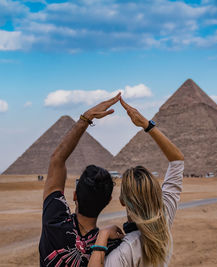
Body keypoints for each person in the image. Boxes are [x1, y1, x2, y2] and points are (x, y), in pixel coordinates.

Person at [88, 97, 184, 267]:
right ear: (156, 193)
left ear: (122, 201)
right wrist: (147, 125)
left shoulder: (124, 252)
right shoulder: (165, 220)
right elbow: (177, 160)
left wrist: (102, 236)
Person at [39, 93, 125, 267]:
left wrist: (86, 118)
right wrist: (106, 233)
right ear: (107, 201)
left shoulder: (54, 220)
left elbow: (57, 159)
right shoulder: (112, 246)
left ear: (75, 195)